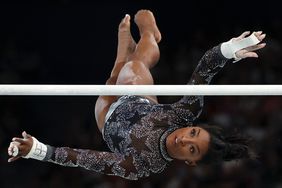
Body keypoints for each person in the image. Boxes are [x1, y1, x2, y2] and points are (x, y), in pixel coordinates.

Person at [8, 10, 266, 180]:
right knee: (133, 71)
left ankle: (125, 51)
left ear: (191, 162)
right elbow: (205, 68)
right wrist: (231, 49)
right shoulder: (183, 114)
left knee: (115, 78)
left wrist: (40, 150)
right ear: (194, 127)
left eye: (192, 149)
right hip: (137, 98)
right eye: (194, 134)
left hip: (106, 118)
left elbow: (89, 159)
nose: (184, 140)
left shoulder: (144, 165)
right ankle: (148, 34)